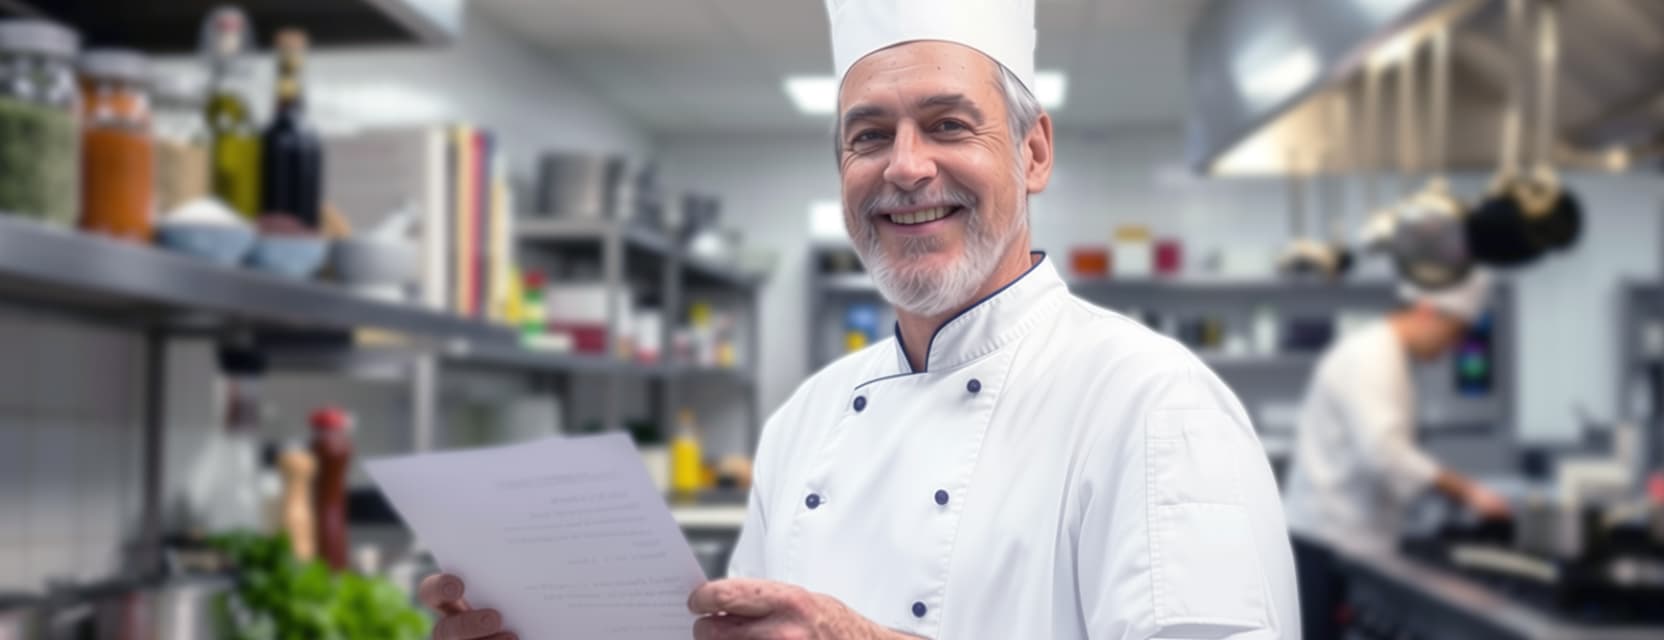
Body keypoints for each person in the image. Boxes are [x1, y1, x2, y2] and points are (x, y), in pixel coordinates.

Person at [420, 0, 1298, 637]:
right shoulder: (807, 419)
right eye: (869, 136)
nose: (905, 169)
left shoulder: (1151, 402)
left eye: (949, 125)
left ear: (1032, 153)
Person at [1281, 270, 1512, 639]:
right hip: (1328, 543)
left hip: (1345, 540)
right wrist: (1468, 492)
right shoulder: (1372, 357)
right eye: (1453, 334)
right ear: (1426, 311)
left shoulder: (1385, 355)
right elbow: (1385, 453)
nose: (1451, 348)